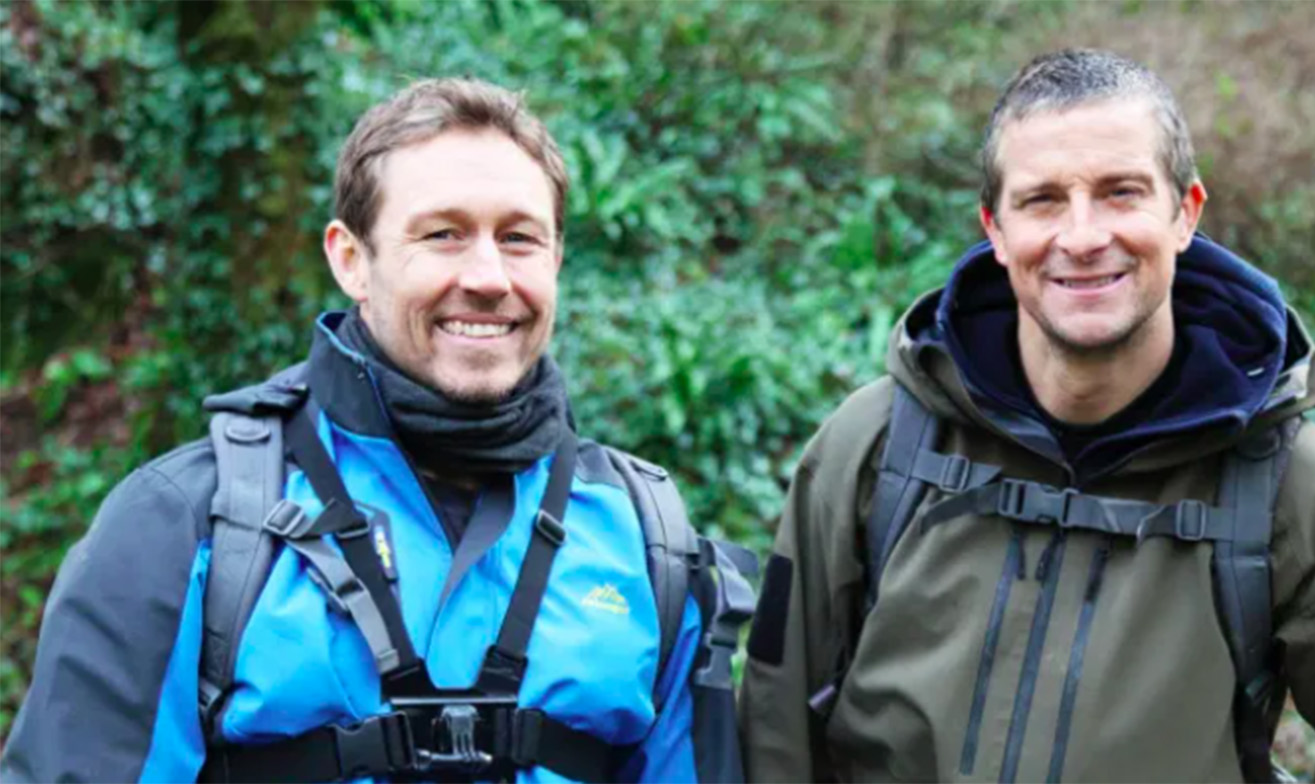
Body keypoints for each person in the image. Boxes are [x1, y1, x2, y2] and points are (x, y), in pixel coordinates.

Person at [739, 49, 1315, 782]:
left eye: (1121, 192)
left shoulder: (1303, 494)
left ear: (1184, 214)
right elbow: (774, 733)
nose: (1084, 237)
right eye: (1043, 200)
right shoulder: (874, 448)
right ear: (995, 229)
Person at [2, 78, 753, 784]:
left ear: (557, 259)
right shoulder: (188, 522)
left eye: (519, 238)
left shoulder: (644, 534)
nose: (489, 276)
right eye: (444, 235)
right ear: (351, 259)